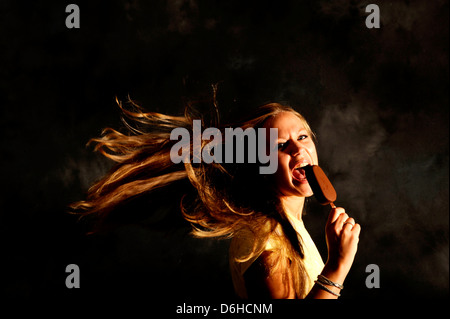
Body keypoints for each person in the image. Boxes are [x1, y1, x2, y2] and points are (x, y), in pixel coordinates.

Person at [71, 98, 360, 299]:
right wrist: (337, 266)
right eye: (281, 144)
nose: (298, 150)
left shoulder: (291, 227)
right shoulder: (261, 239)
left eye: (303, 137)